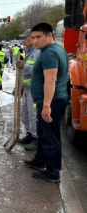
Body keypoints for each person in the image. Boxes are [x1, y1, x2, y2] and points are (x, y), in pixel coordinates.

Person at [24, 23, 68, 183]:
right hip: (48, 100)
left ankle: (53, 172)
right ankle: (40, 160)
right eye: (33, 37)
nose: (34, 41)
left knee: (51, 137)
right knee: (43, 134)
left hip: (52, 101)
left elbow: (50, 80)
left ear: (49, 35)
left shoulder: (49, 53)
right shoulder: (53, 49)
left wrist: (46, 106)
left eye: (38, 37)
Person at [16, 29, 41, 151]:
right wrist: (20, 88)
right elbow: (24, 74)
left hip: (34, 89)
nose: (23, 40)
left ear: (32, 38)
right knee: (25, 113)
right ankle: (29, 134)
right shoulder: (28, 52)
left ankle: (36, 138)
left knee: (33, 114)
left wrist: (24, 65)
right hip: (26, 89)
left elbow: (38, 71)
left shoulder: (38, 52)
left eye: (25, 38)